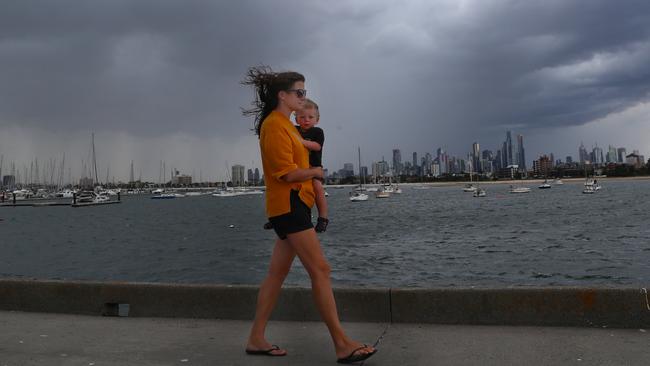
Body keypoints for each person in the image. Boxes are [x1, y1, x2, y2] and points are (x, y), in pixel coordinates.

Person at [242, 66, 377, 364]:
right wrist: (316, 171)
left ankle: (256, 337)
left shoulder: (287, 126)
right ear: (283, 95)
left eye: (304, 92)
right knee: (321, 270)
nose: (304, 98)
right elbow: (285, 173)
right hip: (289, 206)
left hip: (293, 206)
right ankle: (342, 343)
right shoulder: (275, 125)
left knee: (276, 274)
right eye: (299, 93)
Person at [295, 99, 329, 232]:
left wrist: (300, 141)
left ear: (317, 119)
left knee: (317, 187)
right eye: (302, 117)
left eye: (310, 117)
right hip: (299, 168)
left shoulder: (317, 132)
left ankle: (323, 218)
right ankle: (278, 217)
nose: (306, 120)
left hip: (314, 168)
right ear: (296, 118)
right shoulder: (293, 129)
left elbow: (317, 146)